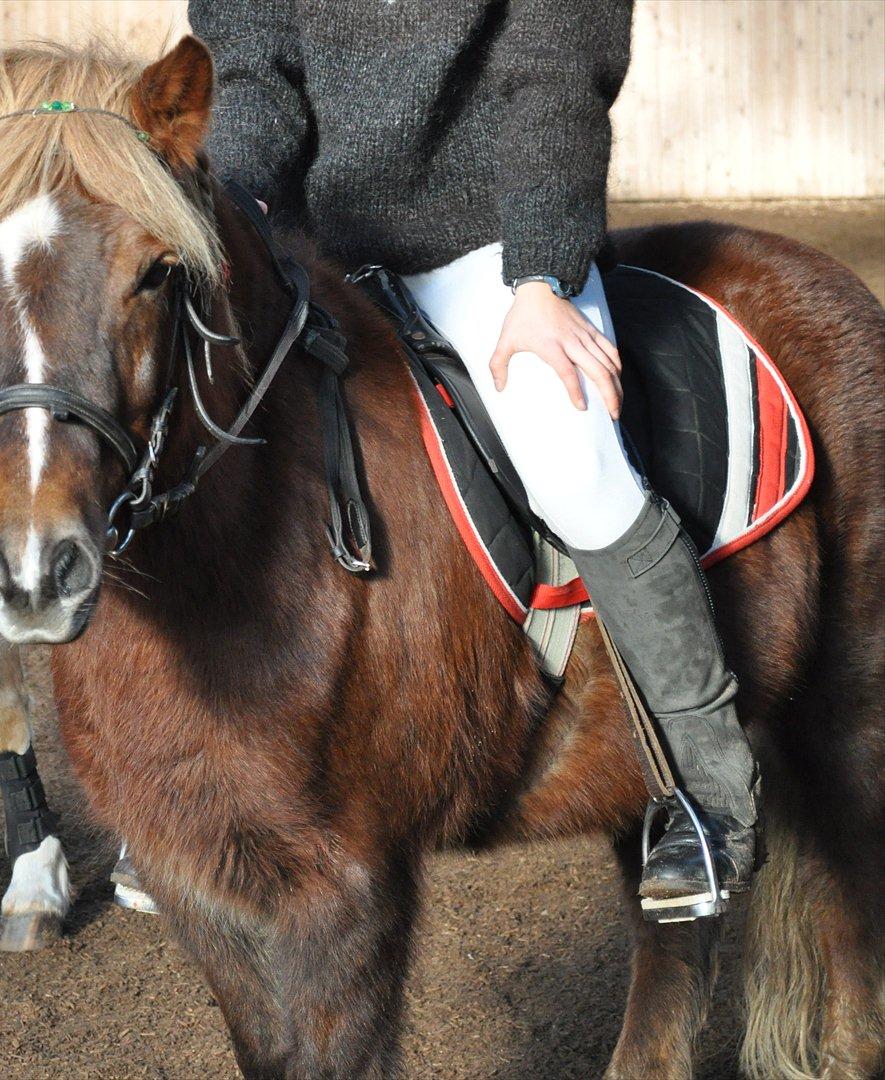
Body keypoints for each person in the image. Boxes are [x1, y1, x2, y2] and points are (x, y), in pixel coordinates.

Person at [188, 0, 759, 919]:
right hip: (309, 250)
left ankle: (710, 793)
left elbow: (551, 82)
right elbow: (252, 74)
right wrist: (235, 204)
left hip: (490, 246)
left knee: (572, 463)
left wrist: (541, 277)